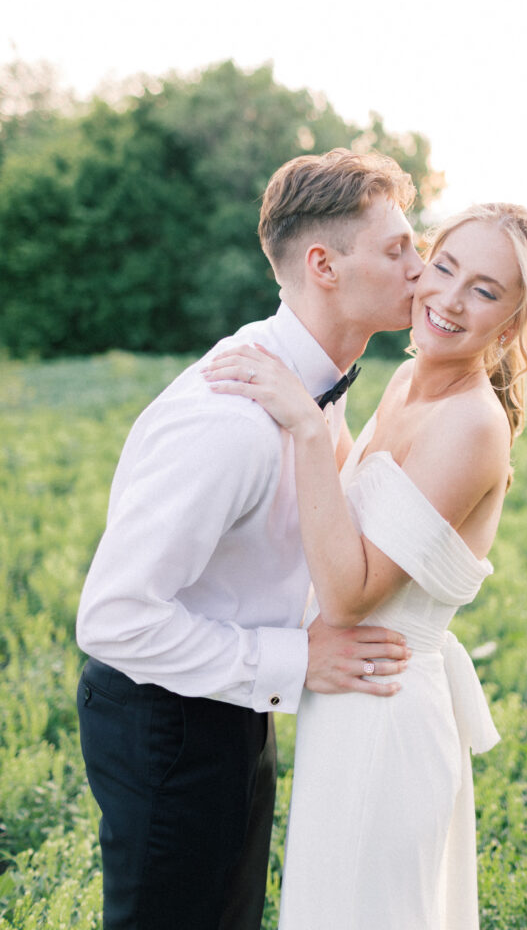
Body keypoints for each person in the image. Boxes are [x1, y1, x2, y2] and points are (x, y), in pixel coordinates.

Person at [75, 148, 425, 930]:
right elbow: (112, 618)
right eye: (397, 248)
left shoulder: (309, 385)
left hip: (232, 698)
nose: (419, 267)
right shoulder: (228, 421)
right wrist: (300, 660)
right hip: (165, 721)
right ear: (323, 265)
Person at [202, 202, 527, 929]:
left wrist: (303, 419)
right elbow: (352, 496)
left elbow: (349, 597)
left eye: (484, 290)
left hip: (387, 716)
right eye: (445, 267)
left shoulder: (470, 424)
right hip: (349, 704)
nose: (449, 299)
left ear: (514, 320)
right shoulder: (405, 381)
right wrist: (311, 400)